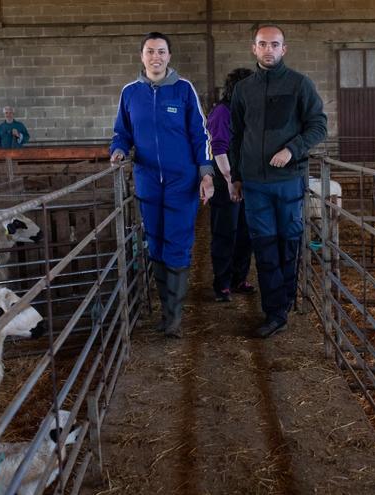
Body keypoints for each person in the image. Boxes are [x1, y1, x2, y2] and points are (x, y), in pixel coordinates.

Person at [110, 32, 215, 338]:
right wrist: (117, 150)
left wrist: (206, 172)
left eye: (161, 51)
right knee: (154, 242)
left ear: (170, 56)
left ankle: (173, 316)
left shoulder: (184, 90)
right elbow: (121, 132)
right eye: (150, 51)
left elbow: (200, 134)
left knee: (178, 242)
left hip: (181, 180)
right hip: (146, 179)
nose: (156, 56)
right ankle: (165, 309)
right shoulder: (130, 93)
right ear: (142, 56)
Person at [230, 25, 328, 338]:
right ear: (253, 48)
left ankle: (284, 301)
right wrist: (236, 176)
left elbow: (318, 126)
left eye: (275, 44)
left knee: (288, 245)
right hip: (256, 183)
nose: (268, 49)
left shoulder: (300, 84)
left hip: (288, 180)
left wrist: (291, 149)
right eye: (263, 44)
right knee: (265, 246)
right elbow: (235, 136)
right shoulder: (244, 89)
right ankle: (275, 312)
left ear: (284, 49)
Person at [207, 67, 256, 303]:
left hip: (248, 180)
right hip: (226, 179)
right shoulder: (222, 112)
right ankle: (222, 282)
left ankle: (239, 277)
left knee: (246, 232)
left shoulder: (248, 112)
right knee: (226, 231)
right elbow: (219, 148)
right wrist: (229, 181)